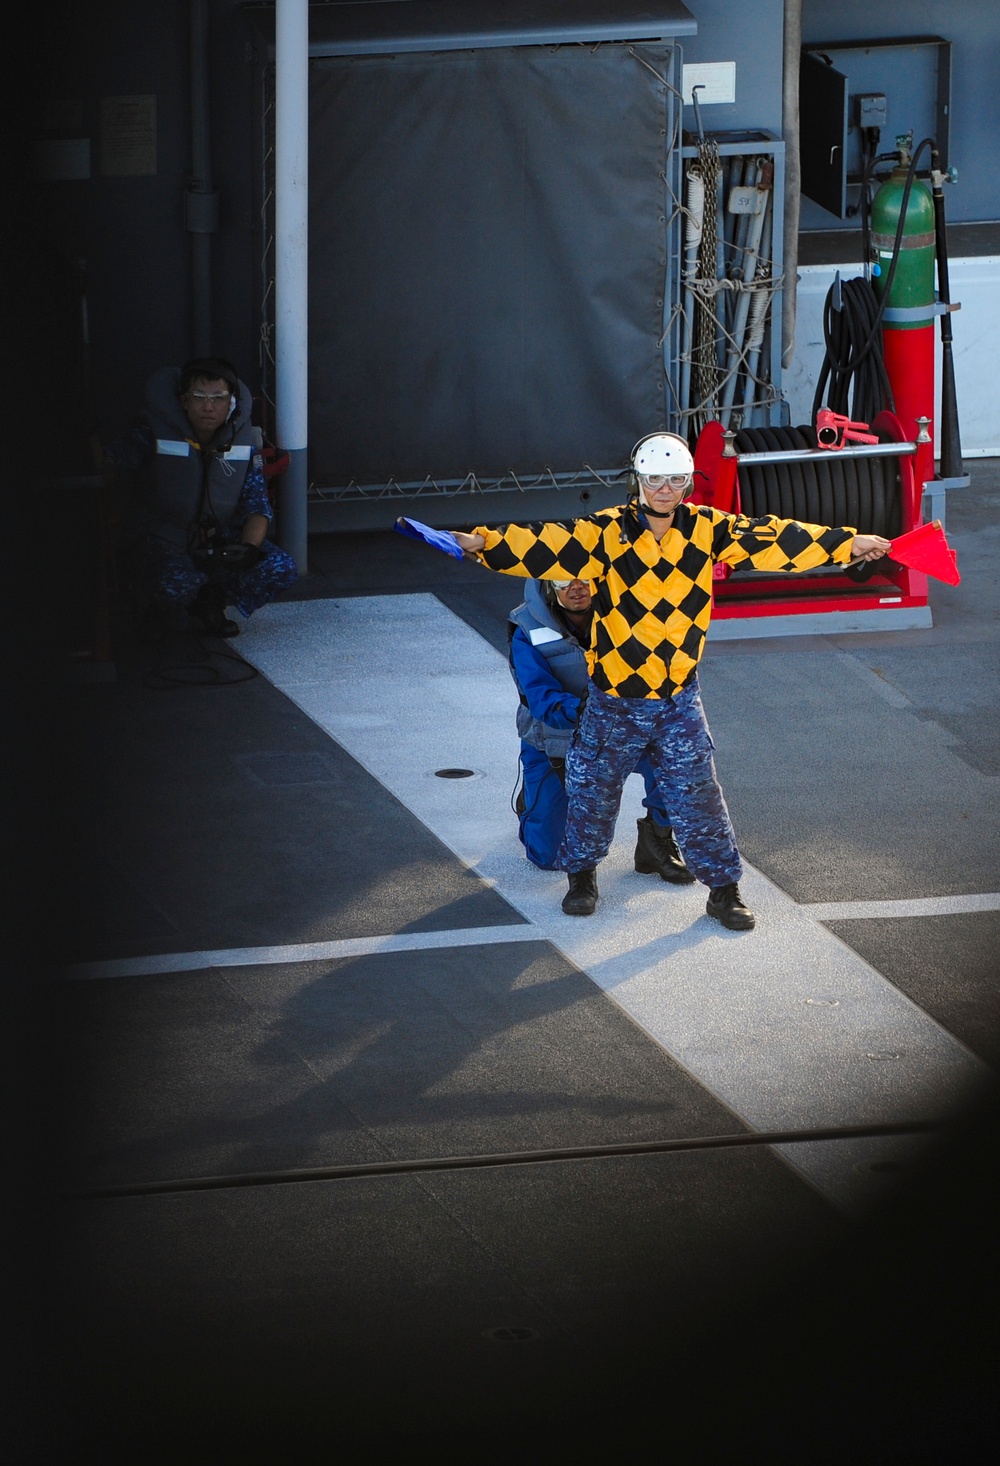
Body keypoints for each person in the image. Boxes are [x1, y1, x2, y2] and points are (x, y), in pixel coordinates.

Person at [452, 432, 891, 929]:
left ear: (687, 482)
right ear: (638, 481)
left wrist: (846, 543)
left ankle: (724, 891)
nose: (665, 488)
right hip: (614, 701)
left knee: (698, 792)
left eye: (675, 479)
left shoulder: (707, 529)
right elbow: (542, 544)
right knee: (591, 792)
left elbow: (777, 539)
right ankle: (582, 877)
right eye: (655, 479)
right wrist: (481, 543)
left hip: (678, 699)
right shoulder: (604, 534)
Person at [509, 575, 693, 883]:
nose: (576, 587)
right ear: (547, 586)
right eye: (563, 581)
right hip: (558, 742)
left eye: (585, 578)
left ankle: (656, 839)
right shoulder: (525, 626)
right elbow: (539, 698)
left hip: (623, 731)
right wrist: (589, 710)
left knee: (681, 757)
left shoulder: (631, 612)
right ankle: (533, 799)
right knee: (550, 858)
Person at [108, 356, 297, 636]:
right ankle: (157, 607)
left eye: (218, 398)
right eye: (199, 397)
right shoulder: (152, 434)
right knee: (175, 589)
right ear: (184, 401)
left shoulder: (241, 444)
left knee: (280, 568)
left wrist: (247, 549)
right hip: (164, 540)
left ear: (231, 402)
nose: (208, 407)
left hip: (215, 541)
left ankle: (211, 600)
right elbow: (111, 462)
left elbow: (258, 507)